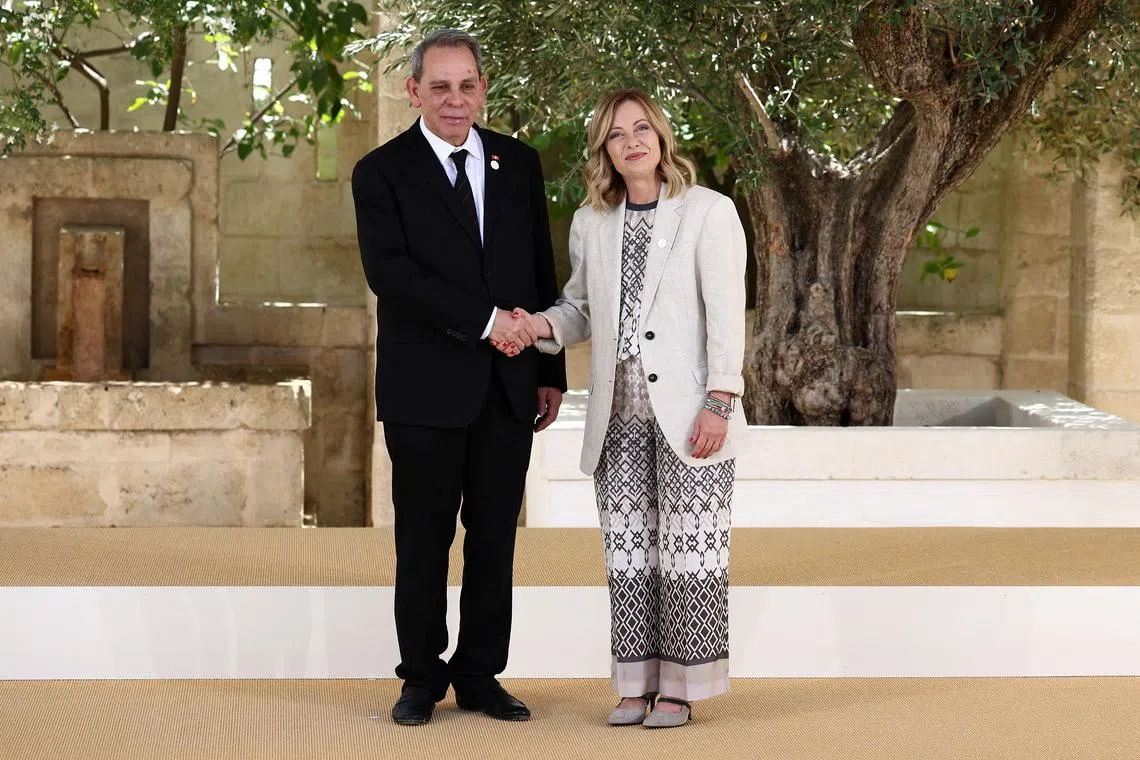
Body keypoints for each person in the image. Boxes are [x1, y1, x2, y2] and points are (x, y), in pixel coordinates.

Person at [502, 89, 748, 728]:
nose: (633, 141)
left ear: (662, 137)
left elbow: (726, 313)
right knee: (629, 554)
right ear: (604, 151)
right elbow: (581, 308)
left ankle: (681, 689)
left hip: (691, 413)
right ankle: (634, 685)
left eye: (643, 128)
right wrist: (536, 328)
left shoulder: (707, 212)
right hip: (617, 415)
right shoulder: (593, 222)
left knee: (690, 551)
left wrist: (721, 400)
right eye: (617, 134)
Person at [351, 29, 567, 727]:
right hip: (424, 390)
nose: (454, 99)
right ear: (413, 91)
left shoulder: (519, 163)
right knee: (422, 539)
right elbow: (391, 275)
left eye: (466, 85)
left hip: (509, 386)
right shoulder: (380, 172)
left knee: (496, 538)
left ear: (482, 89)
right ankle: (420, 677)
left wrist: (550, 370)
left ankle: (479, 675)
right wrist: (485, 321)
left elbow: (541, 268)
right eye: (439, 86)